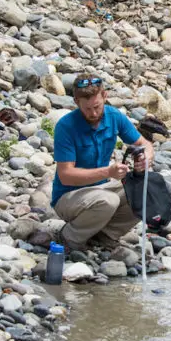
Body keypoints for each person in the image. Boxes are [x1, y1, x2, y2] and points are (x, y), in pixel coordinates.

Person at [51, 74, 155, 250]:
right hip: (68, 197)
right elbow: (66, 175)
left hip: (100, 190)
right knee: (108, 201)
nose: (93, 113)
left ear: (104, 96)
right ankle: (69, 237)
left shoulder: (114, 117)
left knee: (149, 189)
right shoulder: (66, 126)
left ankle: (104, 235)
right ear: (76, 102)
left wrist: (146, 157)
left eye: (97, 107)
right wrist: (107, 172)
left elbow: (144, 143)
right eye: (87, 109)